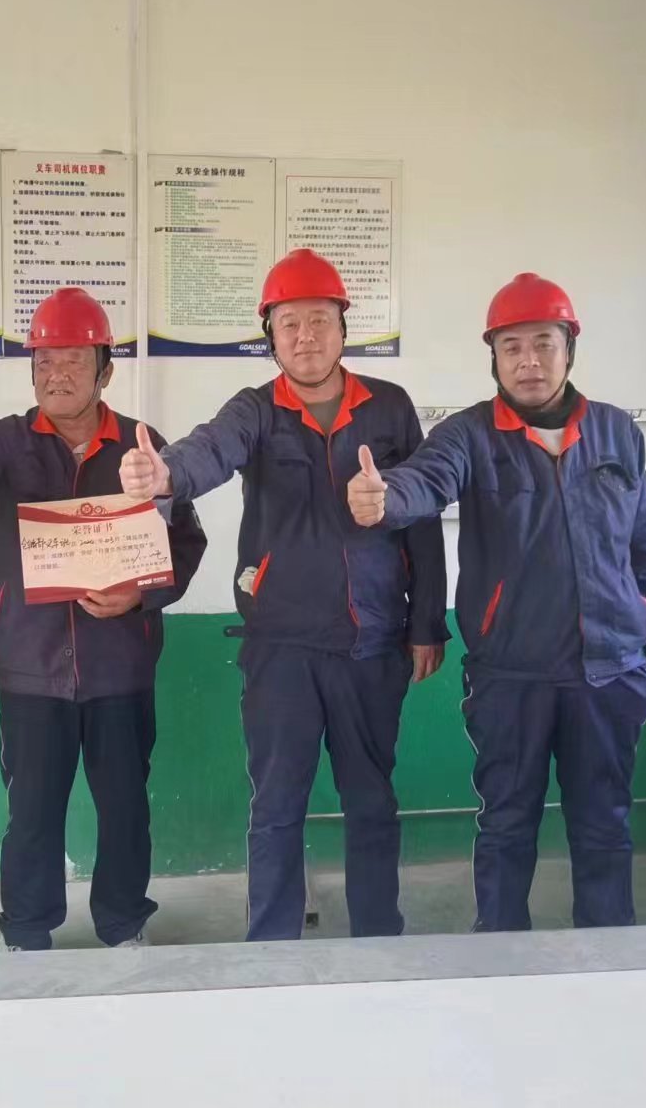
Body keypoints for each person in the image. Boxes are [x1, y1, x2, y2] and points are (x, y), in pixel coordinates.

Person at [118, 248, 448, 942]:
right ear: (270, 334)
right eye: (289, 323)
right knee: (275, 808)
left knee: (372, 802)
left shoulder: (388, 408)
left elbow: (419, 519)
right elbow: (211, 449)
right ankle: (269, 949)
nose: (305, 336)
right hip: (280, 649)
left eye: (319, 320)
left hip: (370, 644)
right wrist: (164, 473)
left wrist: (427, 623)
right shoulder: (256, 410)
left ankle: (378, 939)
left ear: (343, 328)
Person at [345, 272, 646, 931]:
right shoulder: (469, 435)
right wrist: (384, 497)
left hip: (610, 672)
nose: (529, 361)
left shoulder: (618, 434)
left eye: (543, 344)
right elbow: (425, 481)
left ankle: (610, 961)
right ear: (494, 357)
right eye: (512, 347)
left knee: (605, 825)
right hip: (511, 676)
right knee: (506, 827)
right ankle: (498, 961)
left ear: (569, 349)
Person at [0, 287, 206, 952]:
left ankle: (123, 923)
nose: (56, 374)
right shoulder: (6, 441)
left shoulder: (141, 448)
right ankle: (25, 930)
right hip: (30, 667)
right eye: (44, 361)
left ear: (105, 371)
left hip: (120, 667)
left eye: (73, 361)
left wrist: (140, 595)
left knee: (124, 807)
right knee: (32, 811)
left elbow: (185, 542)